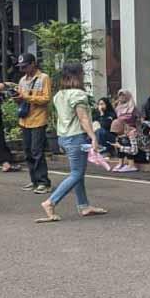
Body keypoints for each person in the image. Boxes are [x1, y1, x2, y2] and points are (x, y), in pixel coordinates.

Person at [37, 62, 108, 222]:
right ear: (78, 75)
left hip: (63, 137)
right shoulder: (78, 94)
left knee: (78, 173)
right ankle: (51, 202)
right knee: (76, 173)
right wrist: (94, 137)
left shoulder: (59, 95)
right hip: (76, 137)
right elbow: (82, 117)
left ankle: (83, 205)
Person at [14, 53, 52, 194]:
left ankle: (44, 182)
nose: (23, 69)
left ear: (33, 64)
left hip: (38, 119)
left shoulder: (43, 78)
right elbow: (21, 98)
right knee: (28, 152)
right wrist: (17, 98)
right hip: (24, 120)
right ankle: (34, 180)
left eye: (25, 66)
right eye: (21, 67)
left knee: (37, 151)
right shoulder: (22, 80)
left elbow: (46, 98)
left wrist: (27, 97)